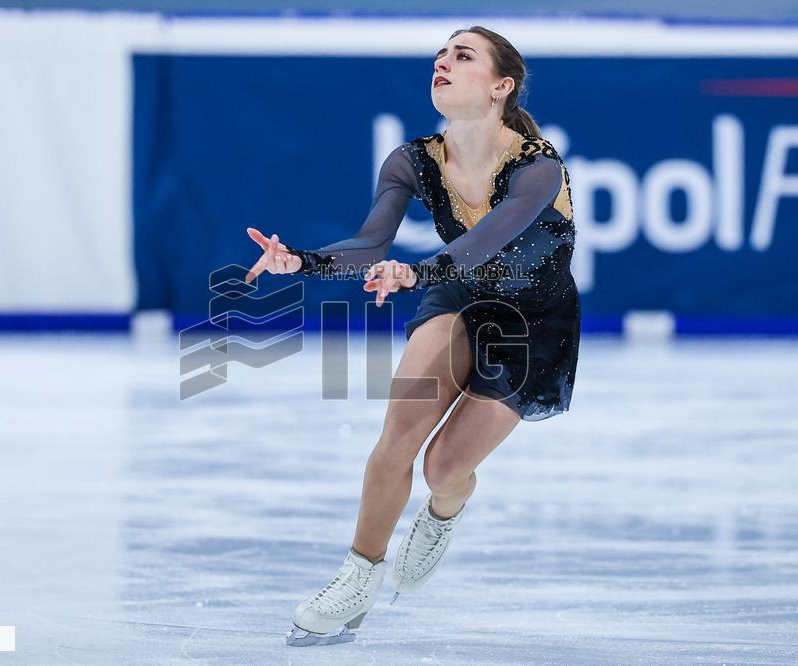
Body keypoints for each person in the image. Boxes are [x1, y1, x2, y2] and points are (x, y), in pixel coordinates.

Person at [244, 25, 580, 647]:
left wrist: (417, 269)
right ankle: (358, 574)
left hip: (533, 322)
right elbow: (371, 243)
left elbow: (486, 240)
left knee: (443, 467)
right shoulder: (412, 159)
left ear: (501, 86)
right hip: (458, 299)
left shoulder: (539, 168)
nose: (442, 63)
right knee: (399, 433)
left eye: (462, 56)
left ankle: (444, 510)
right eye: (440, 55)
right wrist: (304, 261)